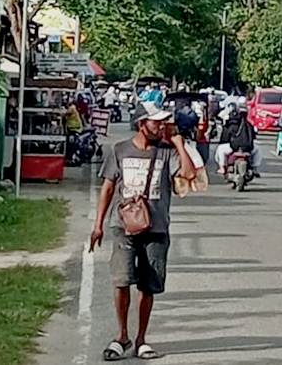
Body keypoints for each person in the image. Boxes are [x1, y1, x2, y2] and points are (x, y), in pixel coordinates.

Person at [89, 102, 194, 361]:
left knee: (148, 286)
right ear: (141, 124)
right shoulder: (120, 150)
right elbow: (108, 188)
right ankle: (122, 335)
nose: (161, 126)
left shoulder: (166, 152)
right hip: (123, 226)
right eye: (155, 122)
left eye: (162, 122)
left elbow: (189, 174)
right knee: (122, 280)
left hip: (157, 227)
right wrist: (97, 225)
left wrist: (178, 143)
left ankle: (141, 339)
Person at [215, 107, 262, 175]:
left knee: (220, 149)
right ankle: (255, 168)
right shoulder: (249, 125)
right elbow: (253, 137)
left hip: (233, 148)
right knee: (258, 149)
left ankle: (222, 167)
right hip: (247, 148)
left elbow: (224, 139)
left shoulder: (229, 125)